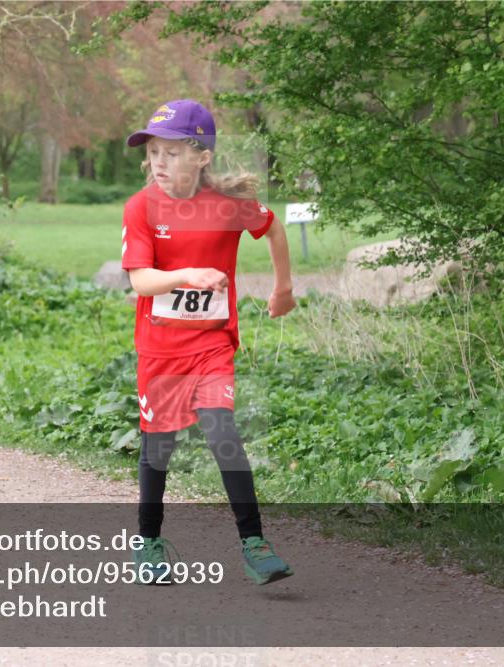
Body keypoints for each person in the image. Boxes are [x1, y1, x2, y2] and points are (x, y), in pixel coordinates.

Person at [122, 99, 297, 585]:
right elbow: (140, 281)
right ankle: (149, 541)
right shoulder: (140, 208)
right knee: (159, 447)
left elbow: (273, 228)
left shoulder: (226, 205)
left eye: (172, 152)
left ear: (202, 156)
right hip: (160, 351)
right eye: (153, 151)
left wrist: (283, 288)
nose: (159, 161)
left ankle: (254, 543)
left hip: (212, 346)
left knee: (223, 432)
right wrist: (188, 276)